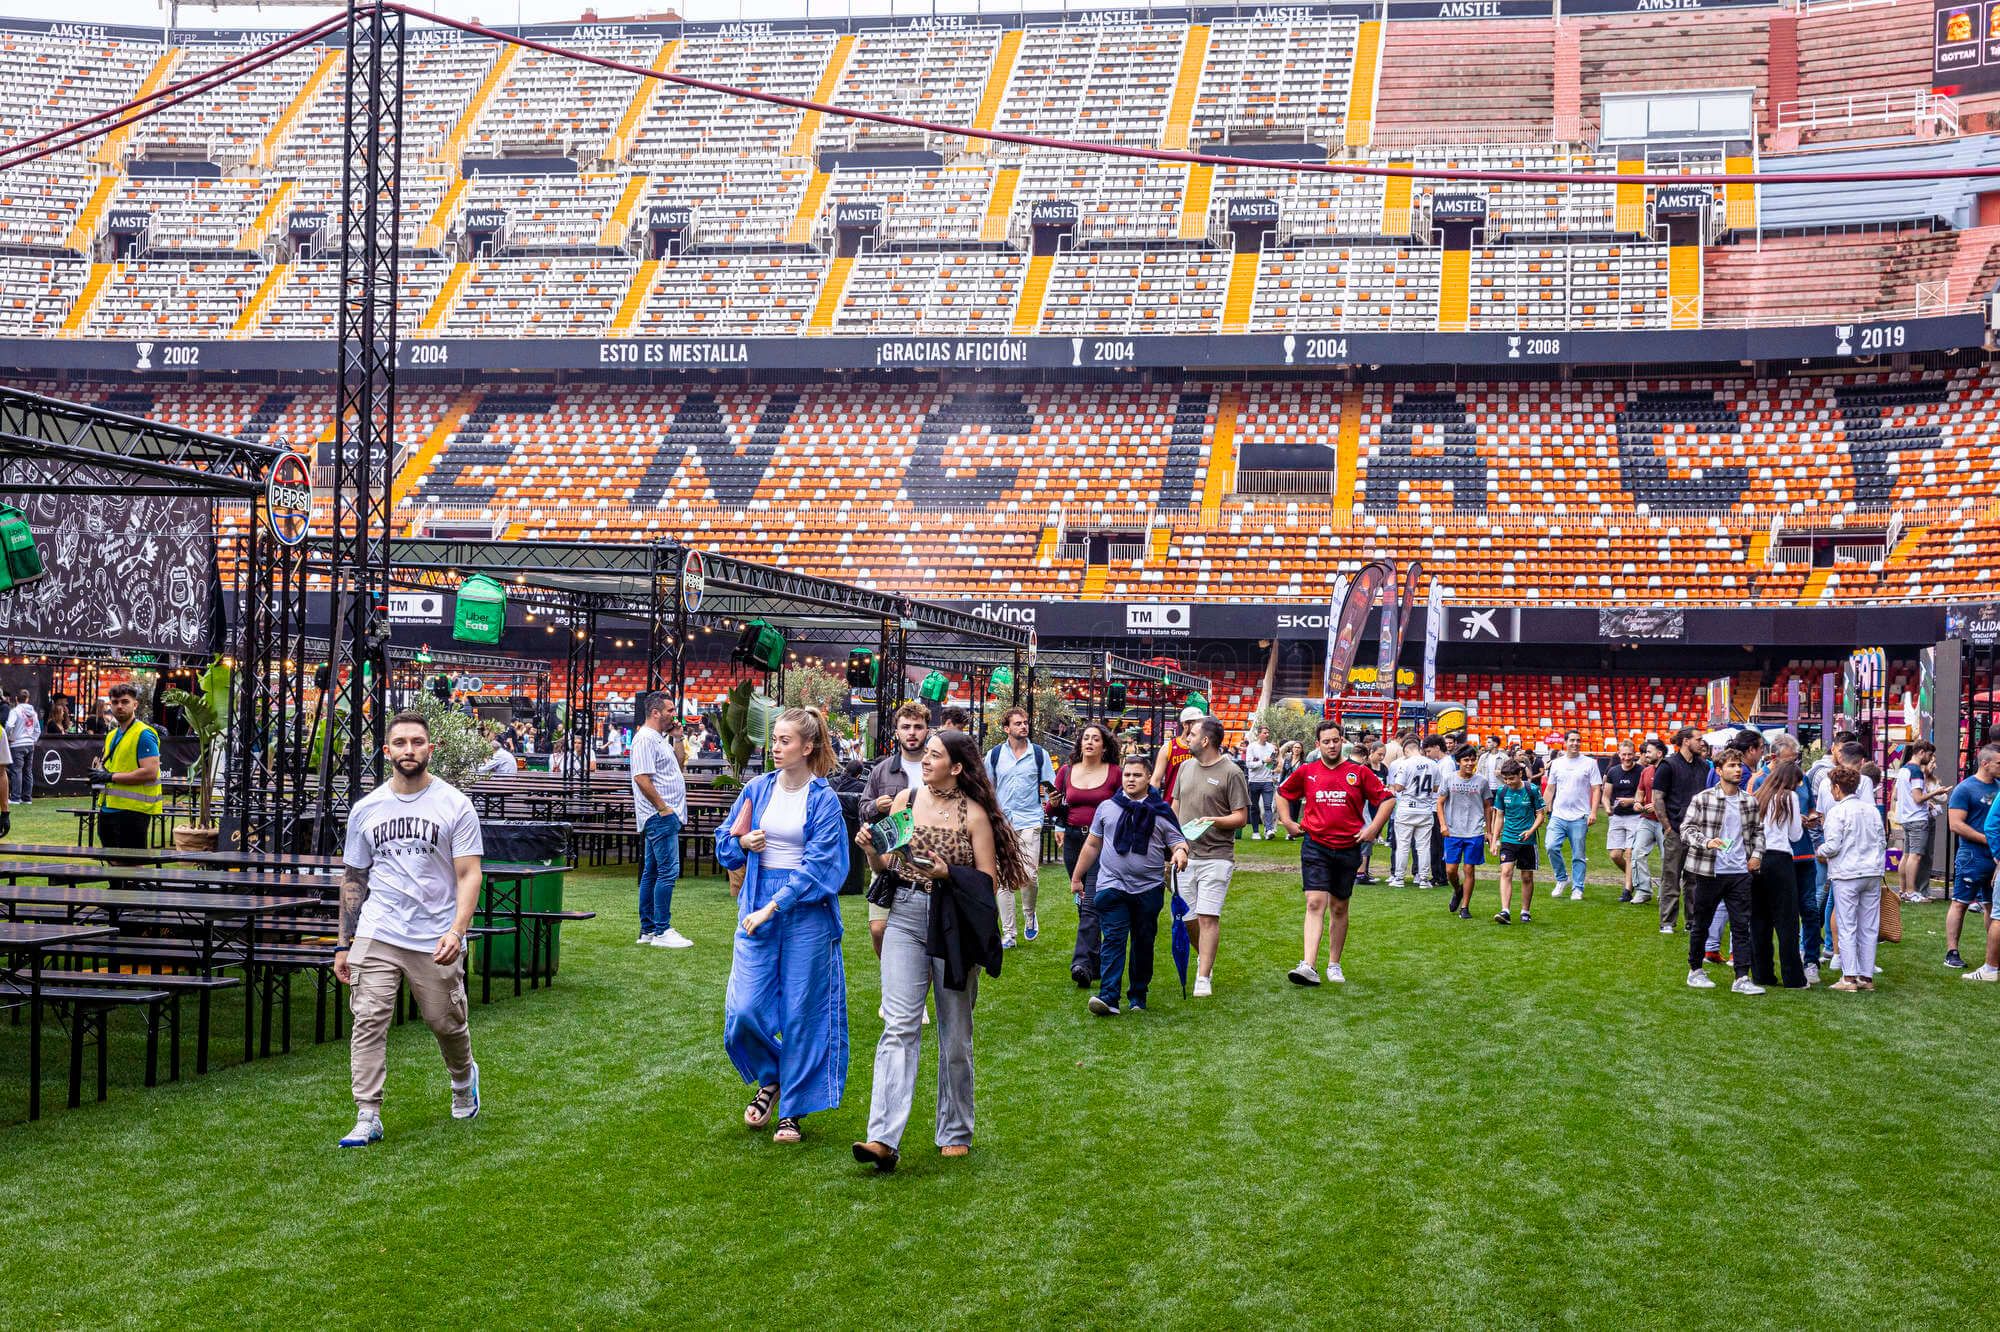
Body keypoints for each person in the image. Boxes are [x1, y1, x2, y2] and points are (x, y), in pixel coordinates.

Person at [852, 727, 1024, 1170]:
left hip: (954, 925)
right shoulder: (907, 800)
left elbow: (987, 882)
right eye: (924, 754)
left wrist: (949, 873)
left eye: (933, 755)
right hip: (906, 914)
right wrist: (872, 852)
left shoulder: (975, 815)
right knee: (898, 1025)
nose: (925, 761)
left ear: (957, 766)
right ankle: (882, 1138)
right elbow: (888, 863)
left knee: (954, 1033)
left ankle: (955, 1129)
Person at [334, 709, 484, 1148]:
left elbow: (469, 874)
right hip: (379, 929)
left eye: (417, 742)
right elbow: (354, 879)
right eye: (400, 743)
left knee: (444, 1020)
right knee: (368, 1018)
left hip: (435, 932)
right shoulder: (366, 810)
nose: (408, 750)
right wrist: (345, 943)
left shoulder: (455, 805)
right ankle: (367, 1114)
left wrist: (457, 931)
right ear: (386, 751)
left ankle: (462, 1078)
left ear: (429, 749)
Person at [718, 707, 851, 1145]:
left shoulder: (823, 799)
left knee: (801, 1014)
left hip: (805, 913)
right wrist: (742, 840)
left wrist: (775, 905)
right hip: (758, 906)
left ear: (807, 747)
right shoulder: (757, 789)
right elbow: (724, 843)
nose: (775, 747)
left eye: (785, 741)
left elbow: (821, 868)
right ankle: (772, 1075)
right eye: (773, 739)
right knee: (744, 1012)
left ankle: (791, 1110)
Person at [1069, 752, 1190, 1016]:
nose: (1131, 779)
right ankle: (1108, 997)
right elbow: (1092, 844)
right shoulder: (1107, 808)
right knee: (1113, 938)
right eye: (1127, 775)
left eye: (1137, 775)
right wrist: (1077, 876)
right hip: (1112, 886)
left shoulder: (1161, 810)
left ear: (1148, 778)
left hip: (1148, 889)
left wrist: (1181, 852)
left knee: (1143, 942)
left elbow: (1177, 840)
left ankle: (1138, 996)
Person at [1278, 718, 1394, 986]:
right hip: (1315, 844)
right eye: (1326, 741)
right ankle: (1308, 964)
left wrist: (1373, 828)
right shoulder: (1307, 771)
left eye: (1336, 740)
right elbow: (1283, 793)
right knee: (1314, 902)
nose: (1331, 745)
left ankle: (1334, 963)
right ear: (1317, 745)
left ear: (1343, 741)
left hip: (1348, 847)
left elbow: (1387, 799)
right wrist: (1287, 821)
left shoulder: (1360, 772)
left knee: (1339, 907)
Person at [1169, 717, 1250, 997]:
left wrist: (1213, 820)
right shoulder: (1184, 768)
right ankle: (1206, 957)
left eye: (1191, 734)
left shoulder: (1232, 772)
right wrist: (1173, 843)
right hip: (1185, 855)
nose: (1186, 737)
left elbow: (1241, 817)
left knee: (1207, 916)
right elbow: (1175, 808)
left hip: (1217, 856)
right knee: (1188, 917)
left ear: (1205, 740)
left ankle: (1203, 977)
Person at [1681, 750, 1764, 995]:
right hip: (1710, 870)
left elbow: (1759, 832)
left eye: (1739, 765)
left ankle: (1741, 977)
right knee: (1701, 923)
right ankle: (1695, 970)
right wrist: (1706, 842)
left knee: (1741, 925)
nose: (1737, 770)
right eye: (1731, 766)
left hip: (1739, 871)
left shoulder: (1749, 801)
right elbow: (1686, 828)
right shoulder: (1703, 799)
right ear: (1719, 770)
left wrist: (1757, 855)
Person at [1054, 722, 1121, 988]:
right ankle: (1098, 963)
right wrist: (1055, 807)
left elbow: (1123, 806)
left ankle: (1081, 963)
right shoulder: (1066, 771)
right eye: (1086, 738)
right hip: (1073, 839)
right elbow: (1053, 808)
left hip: (1102, 842)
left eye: (1096, 738)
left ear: (1104, 746)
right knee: (1084, 901)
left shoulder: (1115, 773)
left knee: (1091, 900)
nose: (1090, 742)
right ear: (1080, 743)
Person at [863, 702, 931, 959]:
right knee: (879, 928)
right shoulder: (882, 770)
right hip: (889, 855)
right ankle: (891, 976)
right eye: (906, 727)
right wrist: (875, 806)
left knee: (925, 932)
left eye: (918, 727)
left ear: (927, 731)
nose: (912, 732)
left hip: (927, 853)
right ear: (896, 732)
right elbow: (862, 807)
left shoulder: (936, 767)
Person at [985, 706, 1055, 948]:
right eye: (1018, 723)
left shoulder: (1039, 754)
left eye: (1025, 722)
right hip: (1002, 822)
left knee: (1029, 875)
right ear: (1006, 728)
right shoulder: (994, 755)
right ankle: (1009, 934)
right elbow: (987, 789)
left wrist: (1050, 809)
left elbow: (1050, 787)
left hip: (1030, 820)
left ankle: (1030, 914)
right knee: (1003, 879)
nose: (1024, 726)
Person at [631, 693, 691, 950]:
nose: (673, 714)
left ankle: (648, 929)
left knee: (652, 872)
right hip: (660, 816)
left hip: (663, 815)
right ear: (655, 712)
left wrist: (677, 738)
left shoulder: (658, 739)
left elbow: (678, 765)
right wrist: (663, 808)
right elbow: (642, 778)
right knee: (667, 872)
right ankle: (661, 929)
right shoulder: (645, 738)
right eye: (668, 710)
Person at [1817, 765, 1884, 993]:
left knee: (1847, 926)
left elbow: (1833, 845)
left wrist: (1820, 850)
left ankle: (1849, 978)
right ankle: (1866, 977)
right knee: (1869, 926)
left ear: (1836, 788)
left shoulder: (1837, 812)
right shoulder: (1872, 810)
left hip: (1847, 873)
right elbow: (1882, 841)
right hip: (1872, 872)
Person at [1748, 759, 1810, 989]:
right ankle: (1793, 977)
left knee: (1759, 920)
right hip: (1780, 859)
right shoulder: (1789, 797)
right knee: (1787, 922)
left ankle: (1762, 974)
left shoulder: (1758, 796)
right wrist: (1802, 822)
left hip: (1757, 858)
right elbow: (1794, 835)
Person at [1943, 744, 2000, 969]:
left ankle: (1993, 958)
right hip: (1972, 855)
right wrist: (1988, 839)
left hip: (1994, 857)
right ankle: (1951, 951)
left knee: (1991, 905)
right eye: (1998, 763)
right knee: (1961, 902)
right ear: (1985, 763)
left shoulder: (1998, 787)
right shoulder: (1964, 789)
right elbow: (1955, 824)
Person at [1650, 726, 1711, 934]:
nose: (1701, 743)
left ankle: (1691, 921)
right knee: (1671, 876)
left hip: (1698, 832)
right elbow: (1657, 798)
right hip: (1675, 829)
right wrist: (1667, 827)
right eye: (1698, 739)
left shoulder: (1703, 766)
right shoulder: (1668, 765)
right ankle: (1667, 921)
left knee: (1694, 878)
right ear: (1686, 741)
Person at [92, 683, 157, 851]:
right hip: (108, 808)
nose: (119, 706)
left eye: (125, 702)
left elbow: (150, 772)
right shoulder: (112, 735)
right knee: (113, 863)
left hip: (133, 811)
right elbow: (111, 768)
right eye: (115, 702)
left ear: (135, 704)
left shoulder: (144, 734)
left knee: (133, 865)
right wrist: (99, 774)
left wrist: (109, 777)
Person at [1542, 729, 1602, 901]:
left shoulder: (1590, 763)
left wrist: (1593, 812)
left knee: (1578, 854)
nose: (1575, 743)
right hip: (1558, 814)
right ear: (1565, 742)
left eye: (1578, 740)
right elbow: (1550, 788)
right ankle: (1562, 878)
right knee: (1551, 846)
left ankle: (1578, 888)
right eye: (1572, 740)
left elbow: (1596, 788)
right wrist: (1543, 808)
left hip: (1580, 816)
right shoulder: (1557, 763)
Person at [1439, 744, 1493, 919]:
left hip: (1474, 831)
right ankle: (1457, 890)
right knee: (1450, 870)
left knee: (1469, 869)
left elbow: (1488, 807)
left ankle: (1465, 907)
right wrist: (1443, 824)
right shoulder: (1448, 779)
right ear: (1458, 761)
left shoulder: (1482, 781)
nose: (1470, 763)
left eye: (1472, 759)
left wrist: (1489, 830)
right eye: (1466, 760)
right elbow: (1439, 802)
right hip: (1453, 831)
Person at [1890, 740, 1946, 904]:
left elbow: (1896, 796)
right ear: (1921, 752)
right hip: (1917, 819)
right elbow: (1918, 798)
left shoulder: (1903, 770)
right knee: (1915, 857)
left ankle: (1903, 890)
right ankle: (1911, 892)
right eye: (1929, 755)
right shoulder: (1916, 771)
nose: (1930, 758)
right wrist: (1937, 792)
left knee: (1907, 856)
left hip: (1906, 818)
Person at [1490, 759, 1545, 924]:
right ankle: (1505, 911)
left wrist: (1531, 830)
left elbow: (1541, 815)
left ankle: (1525, 911)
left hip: (1527, 840)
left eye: (1511, 778)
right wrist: (1494, 839)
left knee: (1526, 876)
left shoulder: (1532, 790)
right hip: (1508, 838)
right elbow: (1499, 816)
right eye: (1505, 779)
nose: (1508, 782)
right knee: (1506, 871)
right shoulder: (1502, 791)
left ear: (1520, 774)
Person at [1386, 730, 1440, 889]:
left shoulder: (1405, 763)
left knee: (1403, 845)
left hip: (1407, 807)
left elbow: (1399, 786)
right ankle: (1423, 879)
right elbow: (1436, 788)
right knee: (1423, 846)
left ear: (1406, 750)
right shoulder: (1433, 764)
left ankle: (1399, 878)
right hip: (1425, 808)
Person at [1605, 740, 1647, 903]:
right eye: (1624, 754)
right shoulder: (1613, 771)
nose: (1627, 758)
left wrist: (1631, 801)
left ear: (1635, 754)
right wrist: (1608, 807)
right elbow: (1606, 795)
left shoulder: (1641, 771)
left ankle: (1627, 890)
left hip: (1635, 816)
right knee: (1615, 855)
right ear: (1619, 754)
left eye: (1630, 754)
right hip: (1617, 816)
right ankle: (1635, 877)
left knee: (1629, 854)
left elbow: (1643, 795)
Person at [1150, 705, 1205, 802]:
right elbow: (1156, 780)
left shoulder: (1203, 747)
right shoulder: (1169, 747)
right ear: (1185, 725)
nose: (1200, 726)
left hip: (1196, 805)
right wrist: (1152, 803)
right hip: (1171, 804)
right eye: (1196, 722)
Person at [1359, 743, 1391, 884]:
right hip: (1366, 805)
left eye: (1383, 754)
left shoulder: (1383, 768)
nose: (1381, 757)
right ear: (1371, 752)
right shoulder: (1365, 767)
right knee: (1366, 837)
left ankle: (1365, 870)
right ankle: (1361, 872)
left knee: (1371, 838)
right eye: (1379, 754)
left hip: (1378, 805)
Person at [1244, 725, 1278, 840]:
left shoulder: (1271, 748)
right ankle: (1255, 831)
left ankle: (1268, 830)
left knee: (1268, 806)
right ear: (1259, 734)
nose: (1267, 735)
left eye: (1268, 733)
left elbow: (1271, 764)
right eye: (1264, 733)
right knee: (1254, 807)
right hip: (1254, 781)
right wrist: (1263, 761)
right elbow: (1249, 765)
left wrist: (1273, 763)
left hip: (1267, 780)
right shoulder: (1252, 747)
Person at [6, 690, 37, 805]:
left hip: (17, 744)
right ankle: (27, 798)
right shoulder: (33, 712)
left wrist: (9, 736)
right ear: (28, 699)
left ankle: (15, 798)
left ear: (16, 699)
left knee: (16, 771)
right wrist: (32, 739)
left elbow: (9, 725)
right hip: (29, 744)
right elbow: (37, 729)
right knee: (28, 771)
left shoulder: (15, 711)